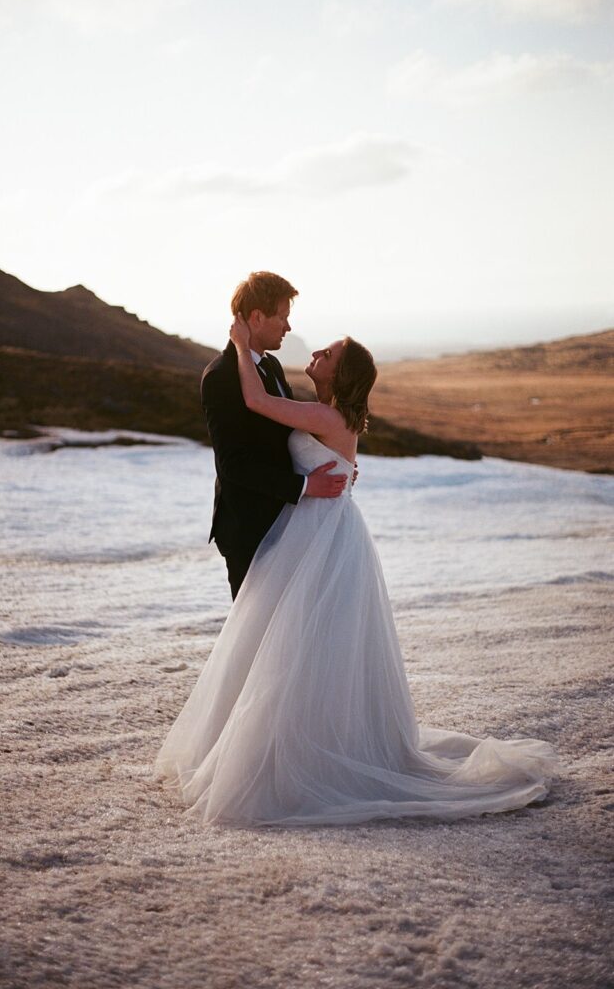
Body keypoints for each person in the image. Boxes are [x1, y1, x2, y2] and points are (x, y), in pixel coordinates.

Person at [153, 315, 558, 827]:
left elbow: (256, 403)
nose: (316, 352)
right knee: (295, 641)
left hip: (319, 535)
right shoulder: (325, 413)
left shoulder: (327, 417)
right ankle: (292, 737)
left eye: (328, 354)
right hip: (310, 530)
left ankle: (302, 750)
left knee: (303, 643)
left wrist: (237, 344)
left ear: (340, 375)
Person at [200, 271, 348, 599]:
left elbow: (285, 438)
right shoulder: (221, 377)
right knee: (257, 639)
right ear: (257, 317)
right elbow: (233, 465)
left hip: (286, 523)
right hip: (249, 529)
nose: (288, 326)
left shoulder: (273, 367)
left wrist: (333, 465)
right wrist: (307, 486)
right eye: (282, 317)